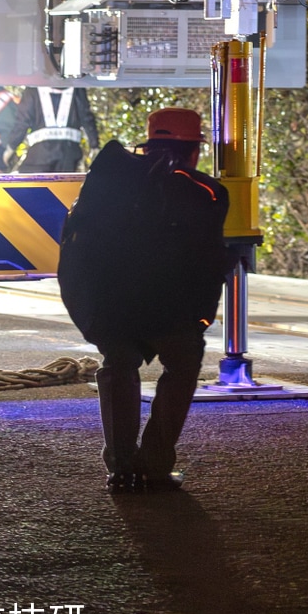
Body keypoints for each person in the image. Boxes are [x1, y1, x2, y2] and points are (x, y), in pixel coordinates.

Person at [57, 106, 229, 493]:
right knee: (182, 366)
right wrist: (201, 316)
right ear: (194, 148)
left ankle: (120, 467)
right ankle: (154, 465)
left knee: (118, 365)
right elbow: (208, 259)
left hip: (110, 305)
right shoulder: (207, 192)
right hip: (173, 311)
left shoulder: (109, 179)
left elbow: (77, 244)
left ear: (148, 142)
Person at [6, 84, 99, 172]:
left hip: (40, 155)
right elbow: (86, 118)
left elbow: (22, 122)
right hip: (69, 154)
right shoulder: (77, 89)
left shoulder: (32, 89)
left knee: (29, 184)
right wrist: (94, 145)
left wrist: (10, 148)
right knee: (63, 186)